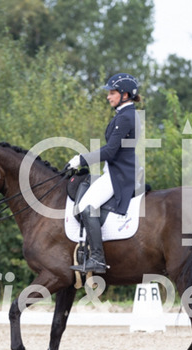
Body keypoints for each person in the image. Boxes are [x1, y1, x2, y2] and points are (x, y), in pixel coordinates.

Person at [67, 72, 141, 274]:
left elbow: (110, 151)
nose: (108, 97)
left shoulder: (125, 117)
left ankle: (97, 259)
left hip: (119, 175)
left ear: (125, 94)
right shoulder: (125, 115)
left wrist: (81, 159)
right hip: (116, 170)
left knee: (86, 206)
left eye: (112, 93)